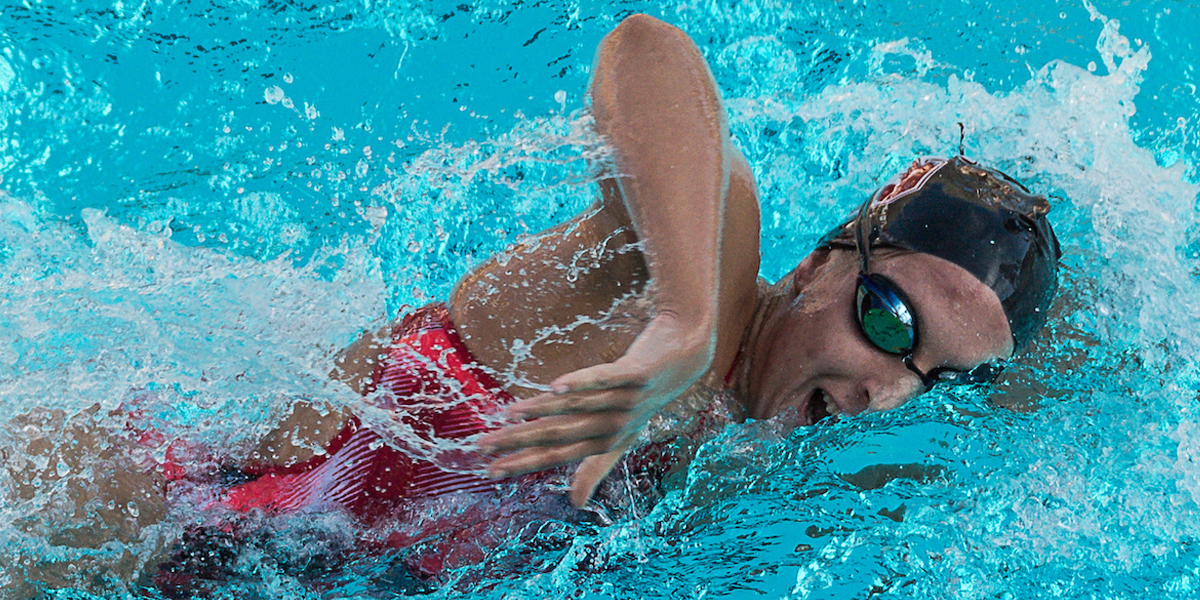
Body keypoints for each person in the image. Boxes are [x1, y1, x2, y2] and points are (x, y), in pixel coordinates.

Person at [3, 12, 1060, 596]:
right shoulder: (693, 279)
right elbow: (646, 54)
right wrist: (684, 326)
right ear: (826, 262)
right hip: (158, 522)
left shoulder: (775, 446)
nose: (885, 391)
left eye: (931, 378)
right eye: (886, 321)